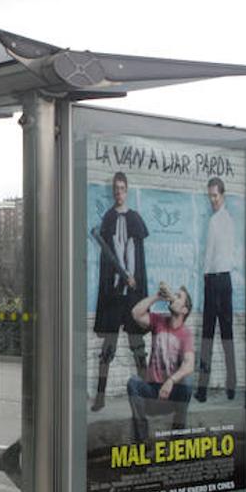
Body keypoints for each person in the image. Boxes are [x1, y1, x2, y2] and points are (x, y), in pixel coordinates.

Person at [91, 171, 150, 411]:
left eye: (122, 188)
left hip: (132, 292)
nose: (118, 192)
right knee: (108, 348)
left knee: (138, 347)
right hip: (115, 292)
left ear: (127, 190)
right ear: (113, 191)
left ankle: (148, 396)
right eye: (115, 188)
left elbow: (134, 250)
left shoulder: (135, 218)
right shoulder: (108, 219)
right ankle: (100, 396)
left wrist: (132, 276)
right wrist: (122, 275)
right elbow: (111, 253)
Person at [127, 282, 196, 442]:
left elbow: (189, 364)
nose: (174, 297)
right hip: (152, 392)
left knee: (187, 382)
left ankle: (177, 440)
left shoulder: (185, 334)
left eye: (178, 296)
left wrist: (171, 381)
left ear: (184, 310)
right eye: (175, 294)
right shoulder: (159, 321)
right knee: (133, 382)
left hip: (172, 396)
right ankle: (141, 442)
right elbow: (136, 313)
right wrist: (158, 296)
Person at [197, 177, 237, 402]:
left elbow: (210, 255)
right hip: (226, 281)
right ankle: (231, 387)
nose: (212, 199)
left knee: (208, 335)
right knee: (227, 336)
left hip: (214, 280)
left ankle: (202, 390)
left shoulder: (215, 221)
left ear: (223, 195)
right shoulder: (229, 219)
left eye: (215, 195)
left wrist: (205, 276)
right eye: (210, 195)